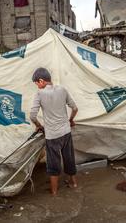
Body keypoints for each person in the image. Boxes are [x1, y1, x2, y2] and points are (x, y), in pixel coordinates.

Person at [30, 67, 78, 196]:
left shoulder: (40, 94)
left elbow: (32, 116)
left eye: (37, 84)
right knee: (69, 158)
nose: (37, 87)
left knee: (53, 163)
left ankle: (54, 191)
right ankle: (73, 183)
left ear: (41, 81)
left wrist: (39, 126)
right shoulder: (62, 89)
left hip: (52, 136)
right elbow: (75, 108)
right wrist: (71, 120)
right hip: (66, 132)